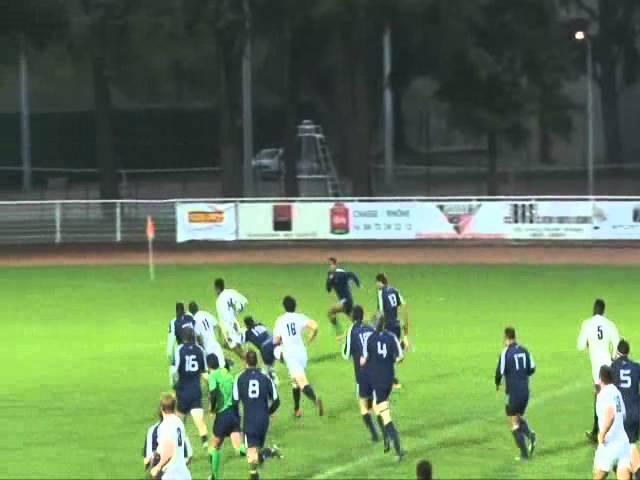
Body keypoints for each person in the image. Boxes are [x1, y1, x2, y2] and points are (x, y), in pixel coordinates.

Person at [360, 315, 405, 460]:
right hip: (389, 380)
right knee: (375, 406)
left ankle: (398, 450)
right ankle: (386, 438)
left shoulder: (370, 339)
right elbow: (400, 358)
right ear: (384, 324)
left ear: (374, 325)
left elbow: (363, 359)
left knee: (385, 416)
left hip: (378, 382)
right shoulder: (391, 336)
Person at [233, 351, 282, 480]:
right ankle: (269, 452)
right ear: (257, 361)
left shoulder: (239, 378)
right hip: (263, 421)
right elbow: (277, 401)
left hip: (249, 421)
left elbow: (235, 401)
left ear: (245, 362)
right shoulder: (265, 377)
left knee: (252, 459)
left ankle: (256, 471)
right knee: (255, 452)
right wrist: (268, 412)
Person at [578, 299, 621, 443]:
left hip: (596, 367)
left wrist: (589, 343)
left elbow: (580, 345)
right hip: (609, 365)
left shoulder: (587, 323)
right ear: (603, 310)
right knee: (610, 396)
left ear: (594, 309)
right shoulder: (609, 324)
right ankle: (609, 429)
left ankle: (597, 431)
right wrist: (614, 358)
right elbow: (617, 344)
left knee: (598, 397)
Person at [274, 295, 324, 418]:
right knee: (295, 382)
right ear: (295, 306)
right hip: (302, 353)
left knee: (302, 382)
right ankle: (297, 409)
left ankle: (315, 399)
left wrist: (279, 343)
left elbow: (275, 340)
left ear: (284, 307)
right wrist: (312, 336)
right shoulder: (299, 317)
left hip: (290, 355)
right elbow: (315, 326)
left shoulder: (280, 320)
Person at [495, 327, 537, 462]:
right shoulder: (524, 350)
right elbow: (532, 369)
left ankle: (524, 454)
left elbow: (498, 373)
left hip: (514, 393)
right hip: (525, 391)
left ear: (506, 338)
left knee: (514, 423)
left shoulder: (505, 353)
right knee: (516, 415)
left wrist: (497, 384)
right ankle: (530, 435)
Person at [342, 305, 382, 443]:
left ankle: (374, 434)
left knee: (364, 406)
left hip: (362, 374)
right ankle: (385, 431)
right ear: (363, 315)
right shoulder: (370, 328)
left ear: (352, 316)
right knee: (376, 405)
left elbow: (345, 354)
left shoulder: (351, 331)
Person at [206, 354, 245, 480]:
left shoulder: (213, 376)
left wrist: (212, 408)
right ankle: (257, 454)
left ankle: (214, 477)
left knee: (215, 446)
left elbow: (213, 392)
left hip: (223, 414)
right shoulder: (226, 372)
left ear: (208, 365)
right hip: (234, 413)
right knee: (239, 448)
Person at [171, 327, 209, 450]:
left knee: (179, 423)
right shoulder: (200, 350)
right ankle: (207, 446)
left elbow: (174, 370)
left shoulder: (179, 349)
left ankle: (180, 448)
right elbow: (203, 371)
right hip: (195, 391)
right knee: (200, 423)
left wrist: (174, 384)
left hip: (182, 391)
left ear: (183, 337)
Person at [593, 365, 632, 480]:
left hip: (609, 443)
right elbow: (623, 415)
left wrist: (602, 433)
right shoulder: (617, 393)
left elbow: (611, 414)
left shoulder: (603, 395)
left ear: (600, 379)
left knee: (597, 476)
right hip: (624, 443)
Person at [611, 339, 640, 478]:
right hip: (635, 412)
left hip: (619, 414)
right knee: (628, 446)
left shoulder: (612, 367)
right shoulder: (636, 366)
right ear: (628, 353)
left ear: (617, 352)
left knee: (626, 449)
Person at [375, 273, 410, 388]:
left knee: (385, 354)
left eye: (377, 283)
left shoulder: (381, 293)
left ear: (380, 282)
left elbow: (381, 313)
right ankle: (392, 378)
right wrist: (406, 332)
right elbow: (404, 306)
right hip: (396, 325)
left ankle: (391, 379)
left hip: (388, 326)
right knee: (390, 353)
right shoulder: (394, 290)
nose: (376, 285)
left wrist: (377, 328)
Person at [149, 393, 192, 480]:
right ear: (174, 407)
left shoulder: (165, 425)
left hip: (171, 474)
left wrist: (158, 467)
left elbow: (169, 449)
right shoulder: (179, 422)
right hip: (183, 473)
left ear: (161, 408)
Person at [326, 257, 360, 340]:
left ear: (336, 265)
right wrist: (329, 280)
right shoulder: (330, 274)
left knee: (331, 311)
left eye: (332, 264)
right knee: (355, 321)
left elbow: (351, 274)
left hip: (346, 300)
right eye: (329, 265)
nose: (331, 266)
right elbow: (328, 289)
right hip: (343, 301)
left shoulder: (341, 273)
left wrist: (358, 284)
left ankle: (339, 333)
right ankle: (367, 330)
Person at [214, 278, 249, 360]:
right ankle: (247, 356)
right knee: (228, 344)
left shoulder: (219, 301)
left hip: (228, 327)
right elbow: (244, 300)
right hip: (234, 323)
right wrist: (239, 308)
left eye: (215, 289)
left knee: (234, 347)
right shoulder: (230, 292)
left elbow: (224, 317)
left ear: (218, 288)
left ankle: (249, 361)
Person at [189, 301, 226, 370]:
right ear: (197, 307)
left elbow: (198, 337)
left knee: (211, 370)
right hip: (215, 343)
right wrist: (219, 339)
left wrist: (202, 348)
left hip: (207, 347)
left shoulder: (194, 320)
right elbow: (217, 326)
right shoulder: (206, 314)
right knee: (222, 366)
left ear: (190, 312)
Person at [243, 316, 278, 384]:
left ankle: (272, 379)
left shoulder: (247, 332)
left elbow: (245, 343)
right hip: (275, 342)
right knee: (271, 363)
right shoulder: (260, 325)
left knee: (267, 367)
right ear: (253, 321)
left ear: (246, 325)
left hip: (265, 348)